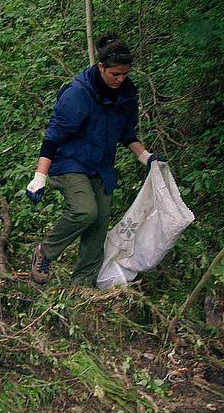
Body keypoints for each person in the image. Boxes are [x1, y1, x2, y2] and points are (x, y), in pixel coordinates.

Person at [25, 34, 167, 287]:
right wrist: (39, 177)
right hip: (69, 163)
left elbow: (127, 134)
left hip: (102, 166)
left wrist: (147, 158)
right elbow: (53, 137)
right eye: (115, 74)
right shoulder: (78, 94)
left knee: (99, 224)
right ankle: (45, 252)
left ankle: (82, 285)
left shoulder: (126, 95)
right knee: (84, 211)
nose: (120, 79)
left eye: (125, 74)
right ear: (101, 67)